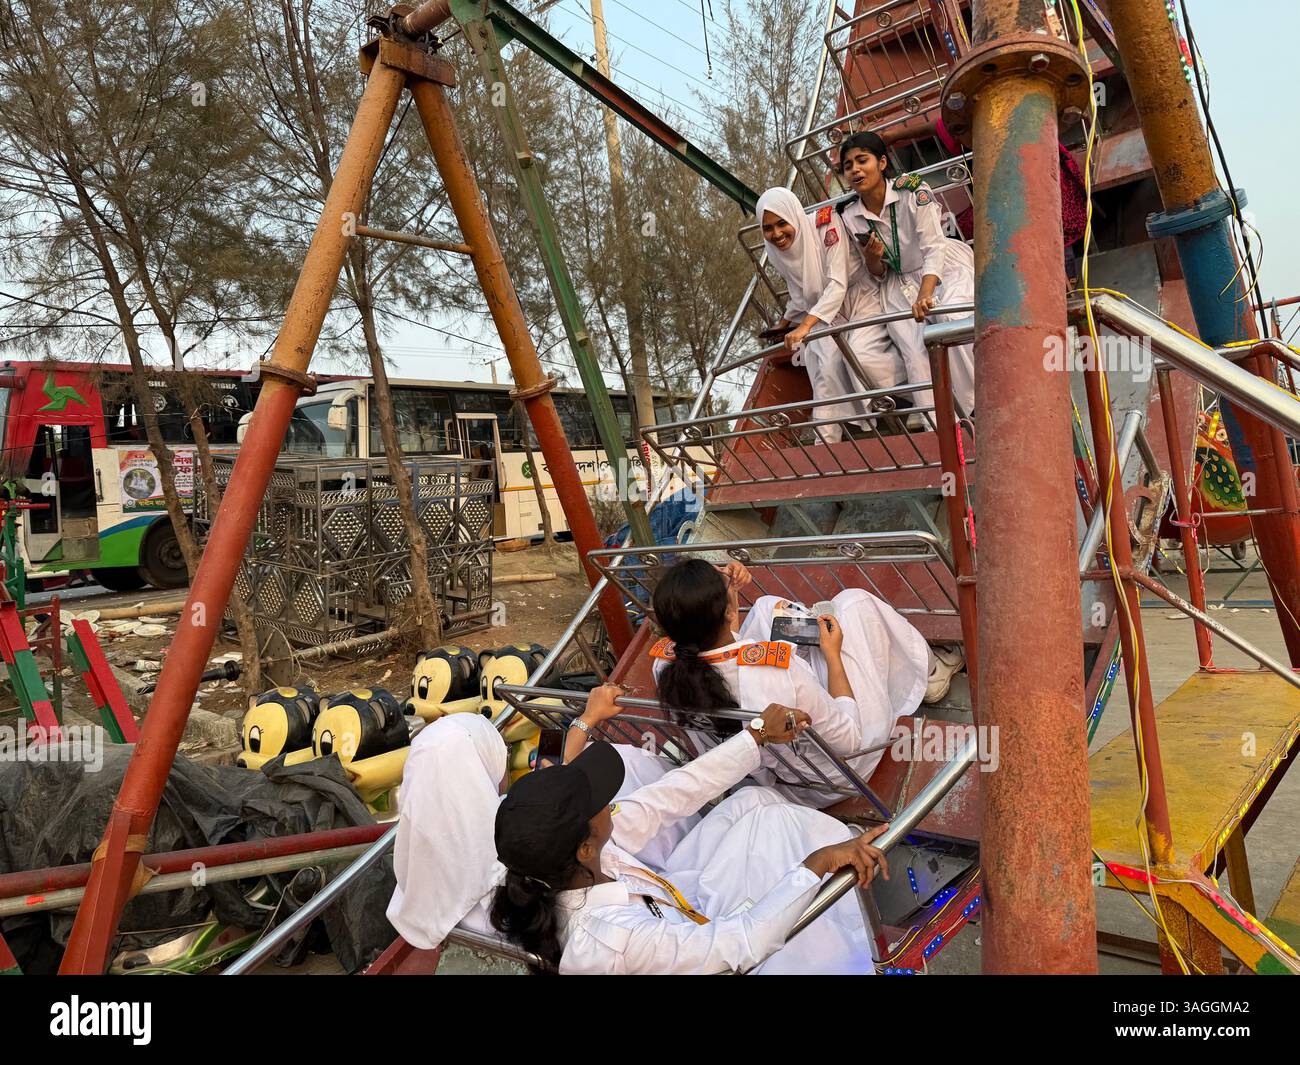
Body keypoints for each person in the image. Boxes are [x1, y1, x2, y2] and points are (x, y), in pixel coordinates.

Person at [490, 733, 889, 974]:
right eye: (602, 801)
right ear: (584, 847)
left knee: (752, 804)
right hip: (714, 953)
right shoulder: (615, 939)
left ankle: (841, 864)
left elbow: (671, 794)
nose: (613, 801)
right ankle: (861, 937)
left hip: (682, 911)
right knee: (814, 928)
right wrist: (817, 863)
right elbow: (740, 945)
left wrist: (756, 735)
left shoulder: (576, 862)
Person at [387, 697, 698, 949]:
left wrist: (585, 721)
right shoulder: (514, 837)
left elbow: (557, 779)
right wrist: (587, 720)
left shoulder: (417, 855)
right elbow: (559, 793)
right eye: (502, 753)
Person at [648, 558, 864, 803]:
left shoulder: (665, 666)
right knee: (854, 603)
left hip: (756, 777)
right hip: (828, 780)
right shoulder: (779, 673)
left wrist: (729, 594)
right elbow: (849, 741)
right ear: (728, 612)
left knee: (765, 607)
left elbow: (721, 651)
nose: (725, 571)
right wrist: (832, 655)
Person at [836, 131, 977, 422]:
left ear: (883, 162)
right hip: (897, 285)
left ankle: (976, 403)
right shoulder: (849, 215)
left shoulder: (913, 191)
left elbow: (934, 247)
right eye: (848, 165)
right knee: (914, 352)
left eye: (862, 160)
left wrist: (926, 294)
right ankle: (938, 425)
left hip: (941, 270)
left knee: (949, 320)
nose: (855, 170)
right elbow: (878, 272)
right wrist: (872, 260)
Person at [757, 187, 905, 442]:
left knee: (860, 357)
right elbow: (800, 291)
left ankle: (911, 388)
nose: (776, 234)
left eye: (782, 223)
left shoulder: (826, 224)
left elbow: (838, 284)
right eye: (768, 228)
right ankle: (826, 442)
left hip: (860, 298)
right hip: (823, 311)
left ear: (794, 216)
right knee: (823, 368)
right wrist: (783, 323)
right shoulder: (774, 251)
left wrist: (805, 326)